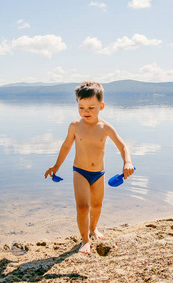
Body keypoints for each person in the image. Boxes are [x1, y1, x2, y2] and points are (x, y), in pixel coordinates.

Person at [45, 81, 135, 254]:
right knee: (82, 207)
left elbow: (123, 146)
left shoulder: (105, 127)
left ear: (101, 106)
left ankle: (93, 228)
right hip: (80, 171)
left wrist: (127, 162)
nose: (86, 112)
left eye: (91, 108)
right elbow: (66, 147)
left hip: (99, 173)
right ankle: (85, 240)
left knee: (97, 205)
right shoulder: (75, 126)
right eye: (81, 107)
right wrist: (56, 166)